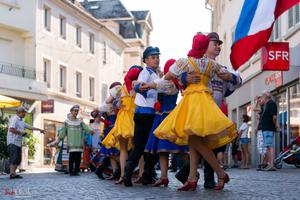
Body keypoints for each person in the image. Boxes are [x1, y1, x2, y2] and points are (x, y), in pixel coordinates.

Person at [154, 34, 237, 191]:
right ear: (205, 46)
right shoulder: (211, 64)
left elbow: (168, 76)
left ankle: (220, 173)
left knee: (195, 141)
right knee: (195, 140)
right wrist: (231, 76)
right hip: (206, 102)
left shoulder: (185, 62)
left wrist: (180, 79)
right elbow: (225, 75)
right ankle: (192, 178)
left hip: (192, 103)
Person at [175, 32, 242, 189]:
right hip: (196, 110)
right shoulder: (194, 63)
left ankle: (201, 177)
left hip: (213, 112)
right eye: (215, 43)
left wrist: (230, 78)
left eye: (220, 44)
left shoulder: (220, 68)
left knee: (202, 143)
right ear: (205, 46)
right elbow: (178, 80)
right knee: (197, 142)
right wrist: (185, 79)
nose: (218, 46)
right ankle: (198, 177)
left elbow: (238, 79)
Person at [123, 46, 172, 187]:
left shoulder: (155, 74)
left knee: (144, 147)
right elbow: (138, 86)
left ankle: (142, 175)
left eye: (157, 56)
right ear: (145, 60)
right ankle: (139, 175)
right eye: (153, 57)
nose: (156, 59)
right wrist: (140, 86)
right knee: (146, 147)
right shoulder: (146, 72)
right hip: (146, 114)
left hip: (145, 113)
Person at [144, 59, 188, 187]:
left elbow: (155, 85)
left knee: (168, 149)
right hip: (171, 116)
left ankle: (168, 176)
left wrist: (142, 85)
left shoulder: (167, 83)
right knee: (176, 149)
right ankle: (172, 175)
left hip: (164, 117)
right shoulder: (176, 83)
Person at [102, 65, 144, 184]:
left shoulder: (120, 88)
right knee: (138, 149)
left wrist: (117, 102)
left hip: (123, 120)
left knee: (123, 149)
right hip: (136, 117)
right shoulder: (140, 85)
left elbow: (107, 101)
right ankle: (141, 174)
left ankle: (122, 175)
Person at [51, 105, 94, 176]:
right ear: (71, 111)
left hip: (79, 143)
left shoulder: (80, 122)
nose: (76, 112)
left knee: (78, 158)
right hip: (71, 143)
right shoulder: (67, 122)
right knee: (72, 157)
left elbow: (86, 128)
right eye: (75, 111)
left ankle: (76, 171)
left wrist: (91, 131)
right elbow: (63, 132)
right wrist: (58, 140)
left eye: (77, 111)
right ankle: (71, 171)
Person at [7, 106, 44, 179]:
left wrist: (39, 129)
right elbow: (11, 129)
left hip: (18, 142)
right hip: (12, 142)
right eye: (24, 112)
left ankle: (13, 173)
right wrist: (22, 133)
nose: (25, 114)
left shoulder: (21, 121)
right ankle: (12, 174)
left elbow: (29, 127)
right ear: (19, 112)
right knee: (13, 158)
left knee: (18, 159)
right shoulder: (14, 119)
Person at [260, 91, 278, 171]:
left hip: (268, 128)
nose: (261, 98)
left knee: (270, 146)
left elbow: (274, 117)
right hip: (266, 128)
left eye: (262, 96)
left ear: (266, 97)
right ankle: (269, 164)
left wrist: (275, 125)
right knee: (268, 146)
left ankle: (271, 165)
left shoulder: (271, 104)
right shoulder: (266, 105)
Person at [253, 95, 267, 170]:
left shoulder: (262, 108)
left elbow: (255, 109)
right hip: (259, 129)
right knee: (260, 147)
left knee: (262, 147)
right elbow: (254, 109)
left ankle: (262, 163)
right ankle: (264, 163)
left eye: (258, 99)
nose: (257, 101)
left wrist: (256, 127)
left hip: (261, 129)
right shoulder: (260, 107)